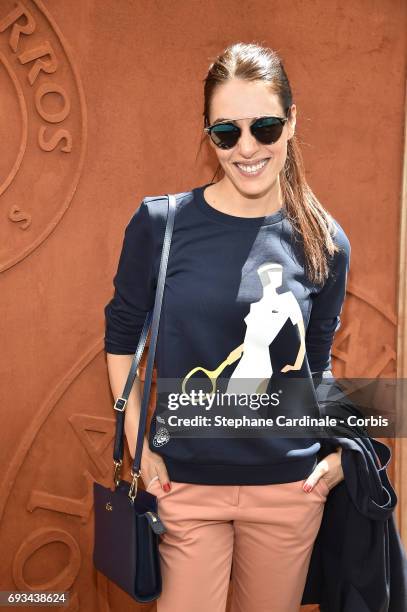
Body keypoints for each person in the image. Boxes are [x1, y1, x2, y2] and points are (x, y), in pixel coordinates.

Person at [104, 41, 351, 612]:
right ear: (208, 133)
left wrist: (342, 453)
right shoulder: (160, 224)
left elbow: (317, 366)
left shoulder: (325, 241)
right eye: (226, 132)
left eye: (264, 127)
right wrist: (140, 448)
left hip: (289, 490)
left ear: (292, 122)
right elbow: (122, 340)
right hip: (184, 486)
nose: (247, 148)